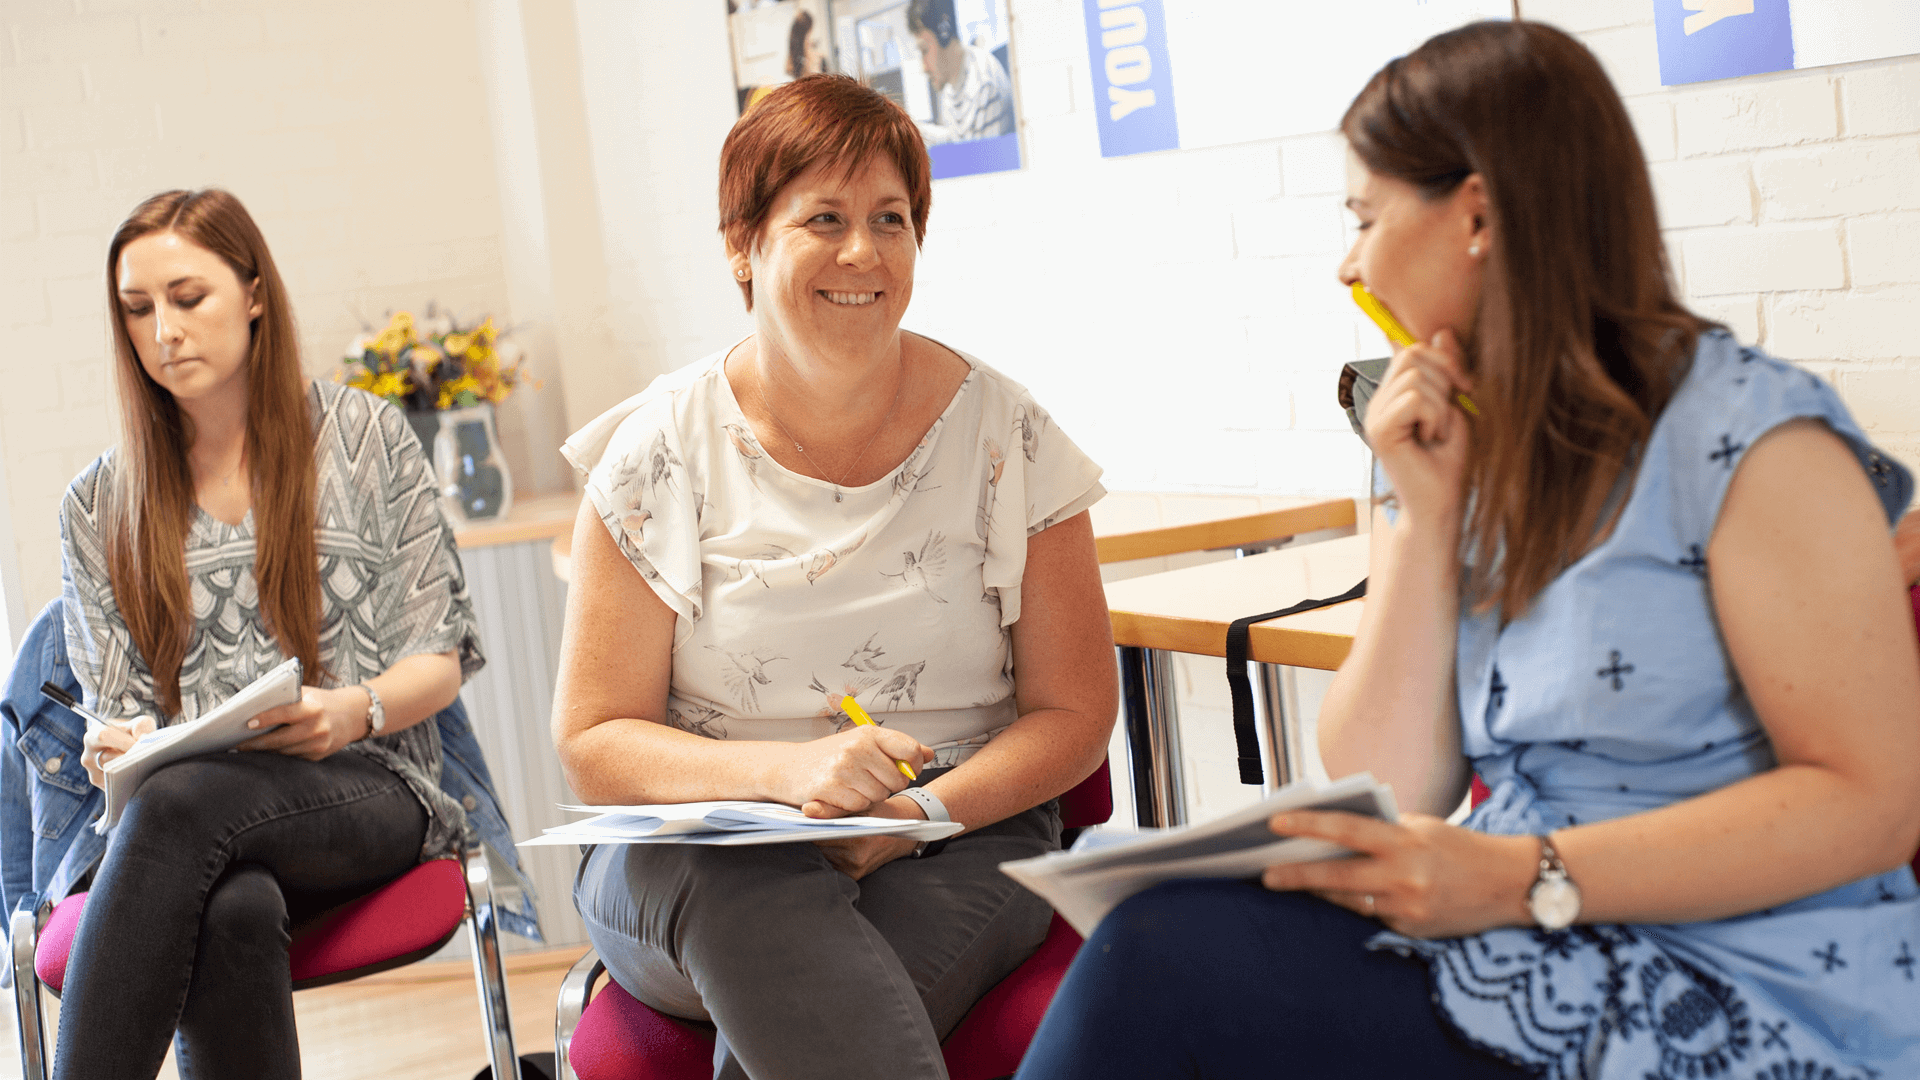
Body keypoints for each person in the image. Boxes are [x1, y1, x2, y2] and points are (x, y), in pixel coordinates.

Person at [1016, 21, 1920, 1080]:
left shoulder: (1754, 437)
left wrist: (1519, 875)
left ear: (1479, 212)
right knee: (1158, 931)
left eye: (1364, 217)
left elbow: (1870, 805)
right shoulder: (1440, 436)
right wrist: (1428, 519)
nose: (1348, 260)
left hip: (1735, 968)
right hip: (1517, 925)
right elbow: (1390, 779)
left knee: (1166, 962)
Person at [553, 74, 1114, 1080]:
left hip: (955, 832)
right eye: (824, 218)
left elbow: (1074, 714)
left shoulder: (1009, 438)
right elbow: (595, 743)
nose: (863, 252)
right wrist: (785, 779)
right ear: (743, 244)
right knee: (755, 908)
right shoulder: (660, 450)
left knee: (800, 1016)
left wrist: (910, 817)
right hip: (695, 856)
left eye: (890, 220)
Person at [48, 188, 489, 1080]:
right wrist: (117, 743)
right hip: (187, 829)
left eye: (187, 297)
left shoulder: (364, 438)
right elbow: (121, 714)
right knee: (232, 905)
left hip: (366, 784)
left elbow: (438, 659)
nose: (163, 330)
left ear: (253, 292)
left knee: (178, 810)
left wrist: (351, 712)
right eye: (137, 310)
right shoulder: (98, 505)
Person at [908, 0, 1013, 145]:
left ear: (944, 34)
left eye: (924, 50)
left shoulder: (984, 85)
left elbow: (986, 163)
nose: (923, 67)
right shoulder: (951, 88)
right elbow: (957, 140)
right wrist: (913, 129)